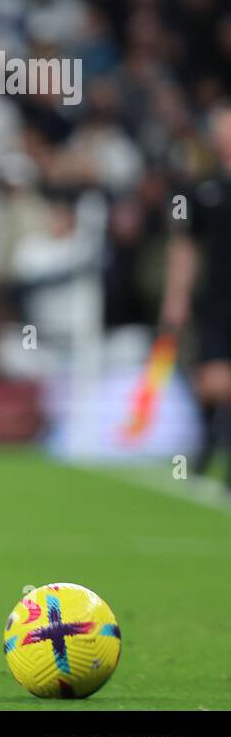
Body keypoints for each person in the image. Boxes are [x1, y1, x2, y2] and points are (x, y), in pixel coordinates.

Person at [161, 102, 231, 491]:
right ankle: (207, 444)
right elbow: (184, 248)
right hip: (217, 296)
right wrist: (177, 297)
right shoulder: (202, 190)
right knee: (211, 380)